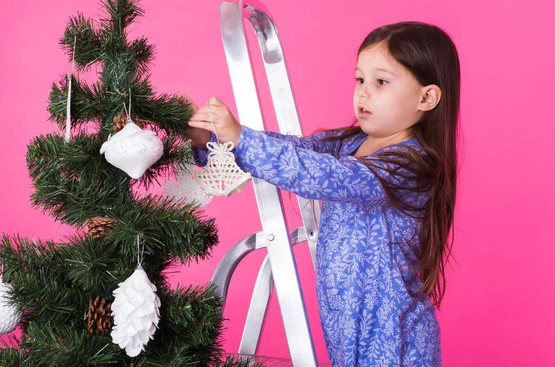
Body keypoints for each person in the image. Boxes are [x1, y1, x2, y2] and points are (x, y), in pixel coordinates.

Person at [186, 21, 460, 367]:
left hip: (393, 338)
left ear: (426, 98)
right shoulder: (350, 143)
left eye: (381, 82)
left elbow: (325, 176)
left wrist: (242, 139)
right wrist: (212, 139)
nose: (363, 93)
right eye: (360, 79)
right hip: (345, 326)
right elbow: (295, 151)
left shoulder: (411, 165)